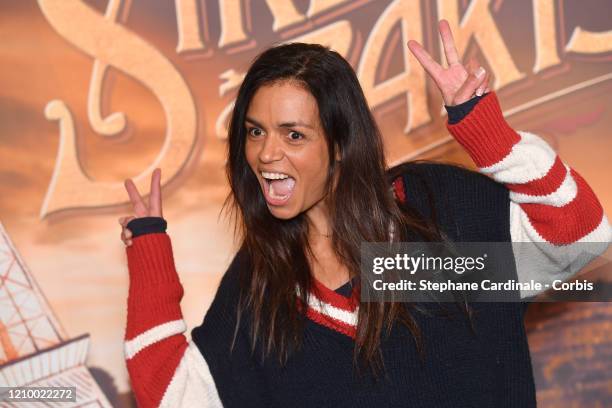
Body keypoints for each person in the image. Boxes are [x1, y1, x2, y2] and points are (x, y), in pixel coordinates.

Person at [118, 20, 610, 407]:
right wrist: (149, 254)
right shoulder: (262, 283)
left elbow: (577, 236)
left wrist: (487, 131)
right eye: (254, 131)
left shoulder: (436, 216)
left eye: (294, 134)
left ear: (340, 147)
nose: (267, 154)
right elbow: (176, 395)